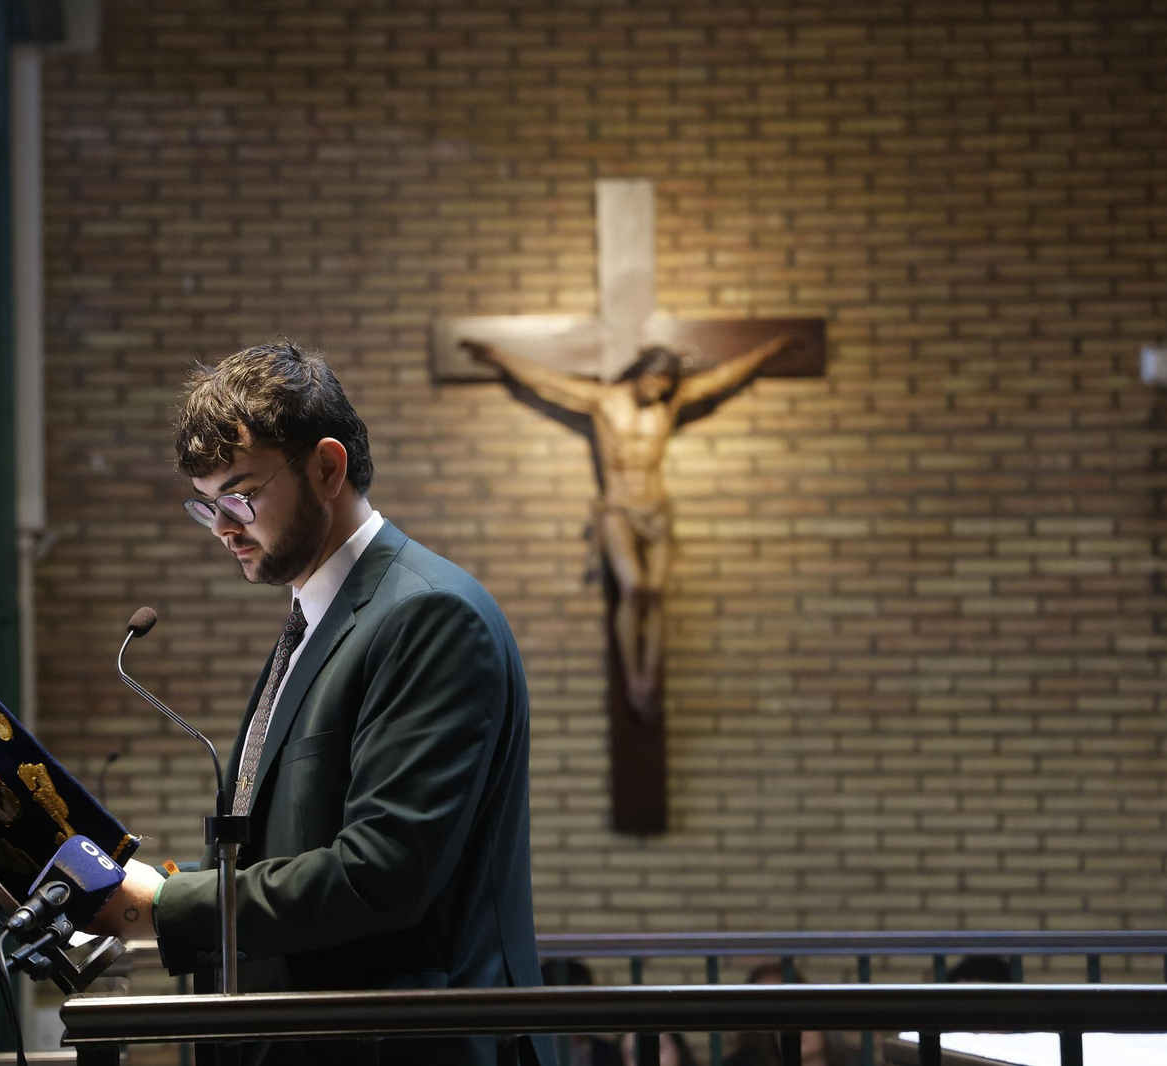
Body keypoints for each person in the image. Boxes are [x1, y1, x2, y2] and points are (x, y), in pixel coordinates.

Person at [86, 340, 554, 1066]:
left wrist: (165, 904)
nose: (223, 528)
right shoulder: (320, 615)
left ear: (327, 468)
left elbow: (380, 872)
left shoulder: (428, 615)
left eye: (240, 495)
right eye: (206, 506)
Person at [464, 335, 801, 720]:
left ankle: (648, 677)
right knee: (634, 586)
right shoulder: (605, 399)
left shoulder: (670, 403)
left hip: (657, 508)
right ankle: (632, 674)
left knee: (656, 593)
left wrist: (768, 351)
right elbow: (545, 381)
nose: (658, 390)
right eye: (654, 381)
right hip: (619, 509)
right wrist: (496, 355)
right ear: (642, 372)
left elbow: (722, 378)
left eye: (666, 385)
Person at [723, 962, 855, 1066]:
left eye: (804, 1016)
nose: (798, 1028)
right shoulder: (745, 1060)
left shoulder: (855, 1060)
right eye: (765, 1001)